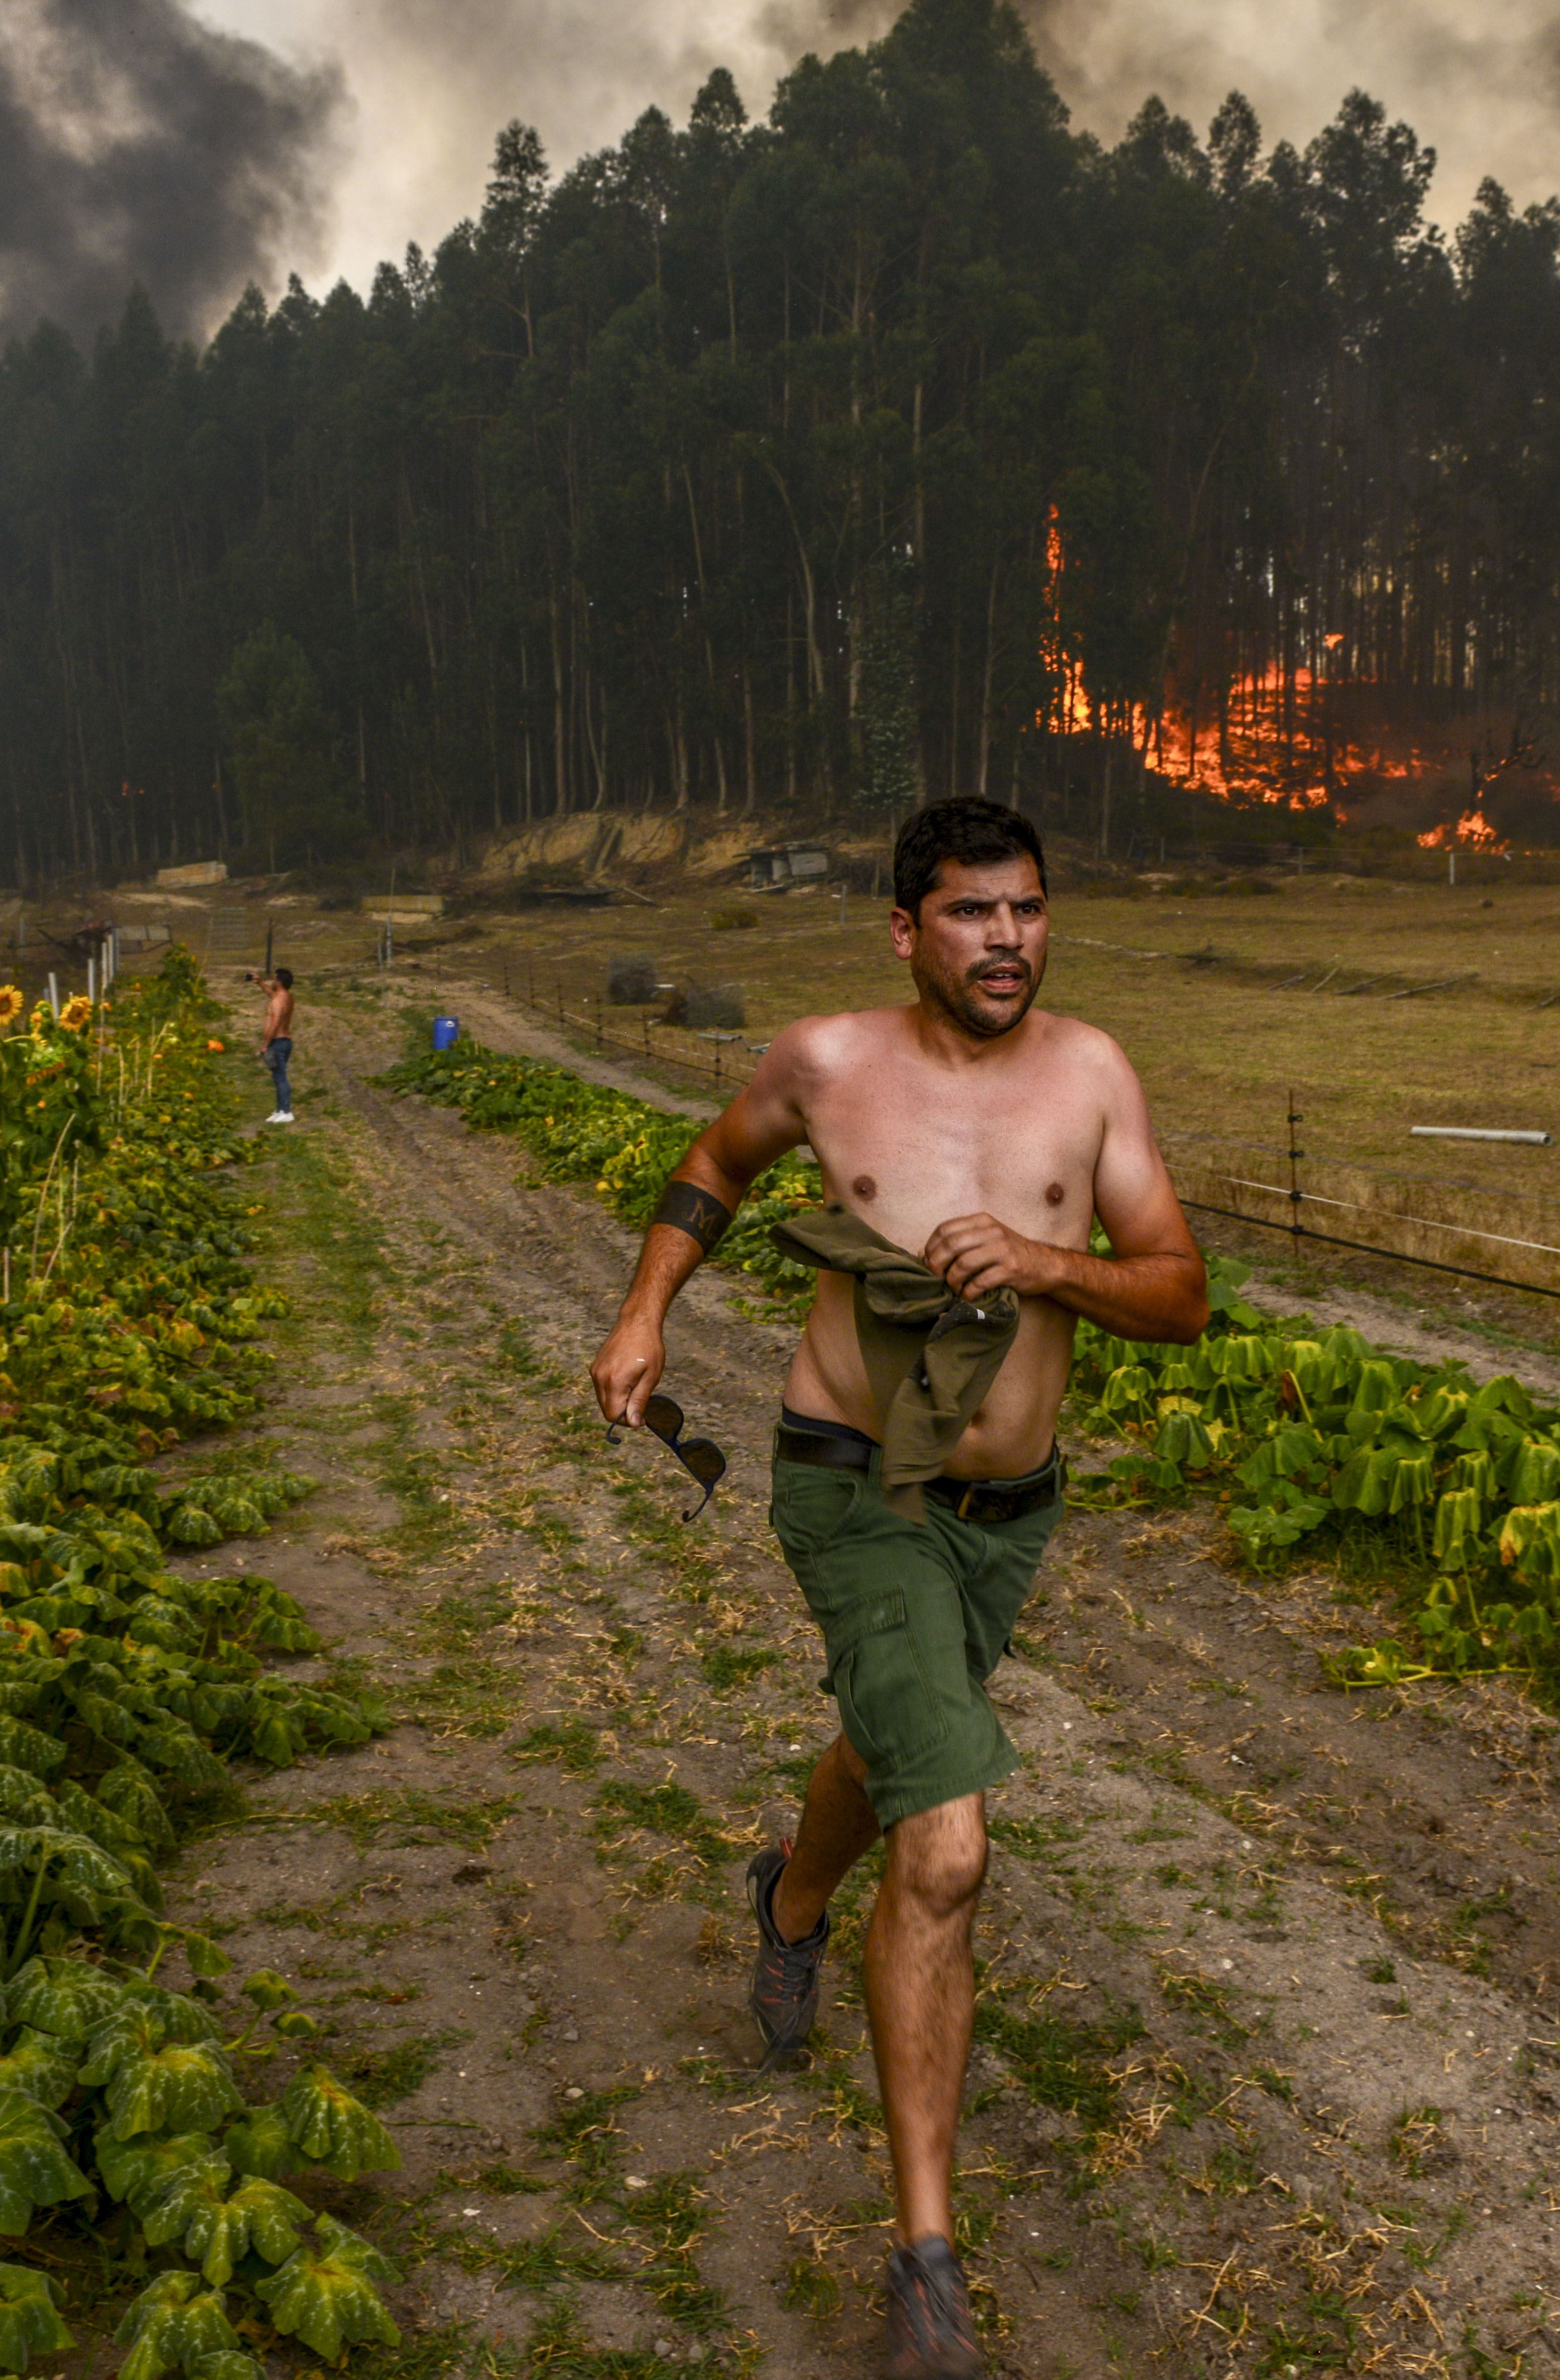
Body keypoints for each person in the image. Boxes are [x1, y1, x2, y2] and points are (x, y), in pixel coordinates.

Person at [588, 796, 1207, 2376]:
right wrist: (645, 1311)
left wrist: (1050, 1263)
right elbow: (711, 1166)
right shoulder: (823, 1062)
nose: (1006, 939)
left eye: (1027, 910)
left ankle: (788, 1897)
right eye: (971, 913)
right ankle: (925, 2260)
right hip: (850, 1487)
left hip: (1005, 1512)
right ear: (903, 931)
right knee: (944, 1843)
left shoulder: (1092, 1076)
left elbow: (1180, 1294)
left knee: (891, 1738)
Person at [262, 968, 295, 1124]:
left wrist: (266, 1044)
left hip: (278, 1041)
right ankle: (280, 1110)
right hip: (285, 1041)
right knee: (277, 1077)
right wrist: (260, 983)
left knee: (280, 1077)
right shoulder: (286, 997)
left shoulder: (277, 1001)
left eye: (275, 979)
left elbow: (275, 1022)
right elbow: (273, 995)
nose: (273, 982)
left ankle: (286, 1111)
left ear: (279, 982)